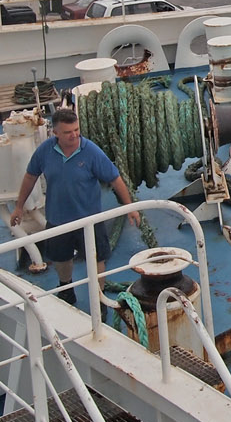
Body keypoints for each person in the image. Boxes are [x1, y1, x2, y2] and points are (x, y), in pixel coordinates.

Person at [11, 109, 139, 305]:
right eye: (68, 132)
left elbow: (115, 179)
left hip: (89, 219)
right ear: (55, 133)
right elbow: (30, 176)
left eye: (76, 130)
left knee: (97, 258)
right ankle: (66, 289)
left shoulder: (91, 152)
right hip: (58, 219)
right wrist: (19, 207)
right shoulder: (45, 151)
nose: (74, 135)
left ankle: (99, 297)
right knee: (61, 259)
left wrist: (130, 207)